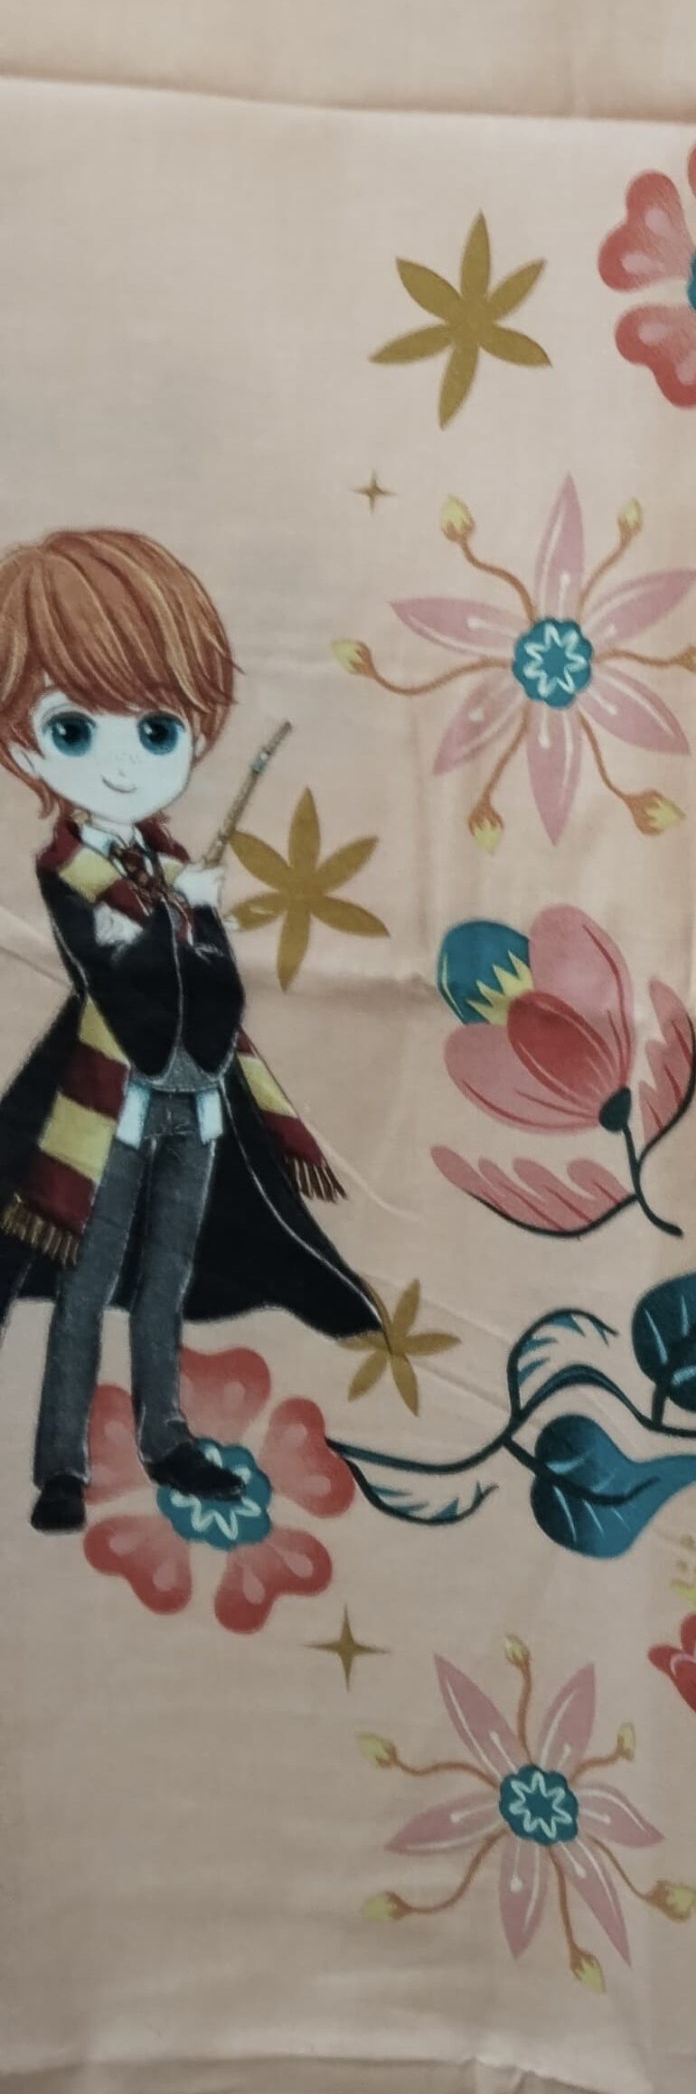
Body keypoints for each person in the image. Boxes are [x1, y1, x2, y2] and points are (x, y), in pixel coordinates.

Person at [0, 531, 376, 1534]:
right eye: (73, 729)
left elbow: (221, 993)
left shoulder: (168, 865)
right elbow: (113, 972)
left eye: (159, 729)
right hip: (107, 1105)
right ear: (22, 742)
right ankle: (61, 1465)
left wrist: (195, 915)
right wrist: (183, 916)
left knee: (165, 1278)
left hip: (195, 1096)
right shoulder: (69, 867)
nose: (126, 761)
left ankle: (165, 1437)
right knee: (88, 1285)